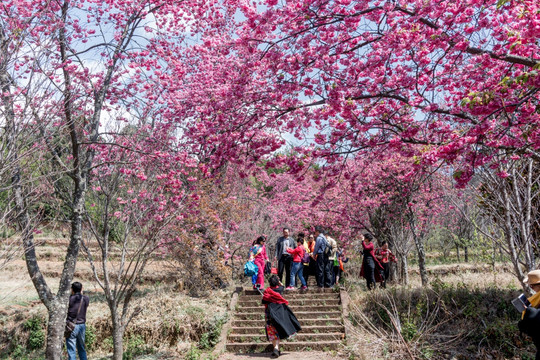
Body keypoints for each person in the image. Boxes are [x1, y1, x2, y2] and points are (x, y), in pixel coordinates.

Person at [262, 275, 301, 358]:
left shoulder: (267, 292)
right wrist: (279, 282)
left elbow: (264, 301)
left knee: (273, 332)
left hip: (270, 315)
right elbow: (282, 286)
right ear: (277, 283)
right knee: (279, 329)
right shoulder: (279, 290)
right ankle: (276, 349)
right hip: (280, 314)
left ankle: (276, 348)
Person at [66, 282, 89, 360]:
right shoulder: (86, 298)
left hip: (71, 326)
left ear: (72, 289)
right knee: (82, 349)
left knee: (71, 350)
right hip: (82, 325)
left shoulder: (69, 299)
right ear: (81, 289)